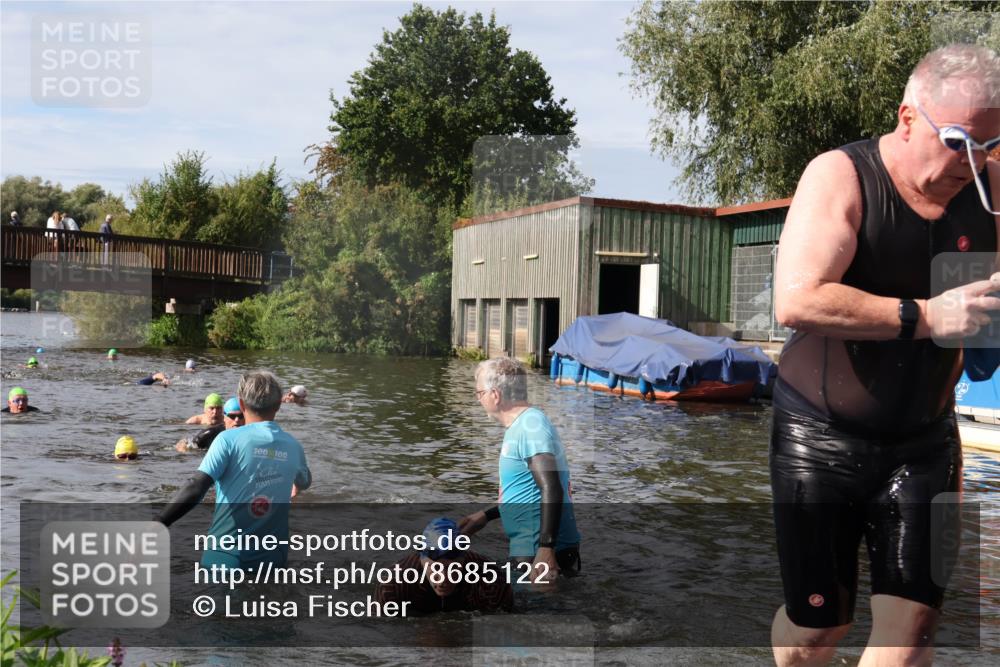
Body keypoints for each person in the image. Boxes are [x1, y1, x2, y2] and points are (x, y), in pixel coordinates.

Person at [769, 44, 1000, 667]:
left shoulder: (990, 188)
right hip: (819, 438)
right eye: (957, 140)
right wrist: (926, 316)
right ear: (907, 117)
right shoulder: (840, 176)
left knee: (911, 636)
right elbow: (797, 301)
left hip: (927, 440)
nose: (973, 162)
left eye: (990, 145)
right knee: (817, 631)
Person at [157, 371, 311, 569]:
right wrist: (294, 483)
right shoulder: (293, 446)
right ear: (279, 405)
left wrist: (159, 522)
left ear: (242, 403)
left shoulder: (226, 440)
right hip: (274, 561)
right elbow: (305, 480)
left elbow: (196, 487)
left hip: (225, 560)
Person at [460, 357, 581, 582]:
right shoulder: (525, 425)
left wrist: (546, 549)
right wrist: (486, 515)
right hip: (534, 549)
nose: (478, 400)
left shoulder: (530, 427)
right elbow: (528, 490)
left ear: (495, 395)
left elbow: (552, 487)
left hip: (538, 553)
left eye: (479, 394)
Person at [375, 517, 513, 614]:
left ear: (463, 560)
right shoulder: (394, 583)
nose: (443, 580)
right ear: (422, 560)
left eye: (452, 569)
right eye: (436, 568)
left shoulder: (491, 580)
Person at [176, 396, 244, 453]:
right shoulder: (209, 433)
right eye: (232, 416)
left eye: (241, 416)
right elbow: (186, 444)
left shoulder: (252, 430)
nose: (237, 420)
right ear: (225, 417)